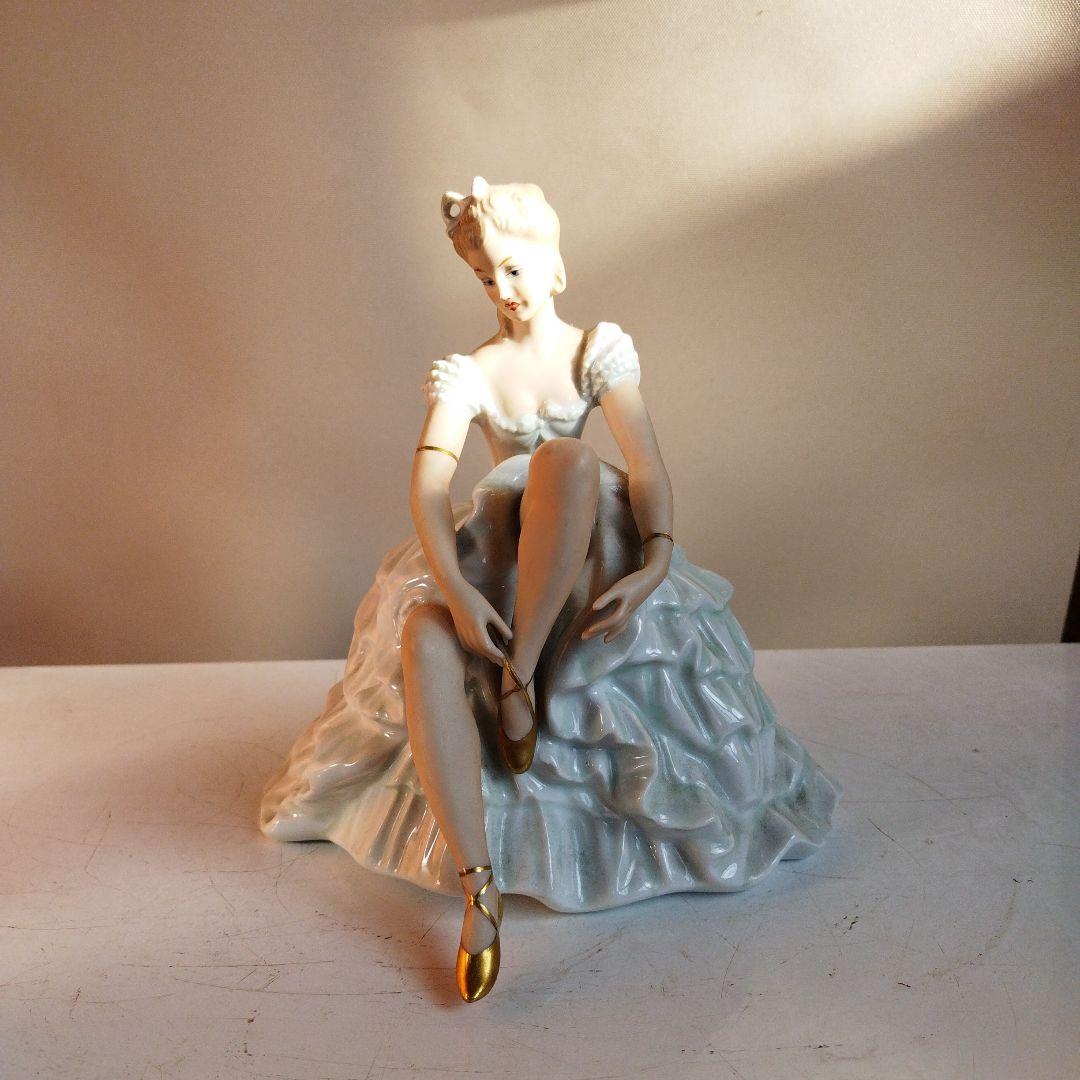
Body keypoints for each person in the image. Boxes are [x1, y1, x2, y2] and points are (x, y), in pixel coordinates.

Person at [260, 177, 841, 1003]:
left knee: (565, 460)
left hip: (588, 547)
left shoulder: (593, 351)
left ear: (555, 267)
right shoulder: (472, 371)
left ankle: (520, 676)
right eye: (486, 277)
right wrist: (459, 590)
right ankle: (479, 888)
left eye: (514, 269)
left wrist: (656, 558)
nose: (503, 289)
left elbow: (644, 463)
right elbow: (429, 485)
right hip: (500, 555)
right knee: (423, 632)